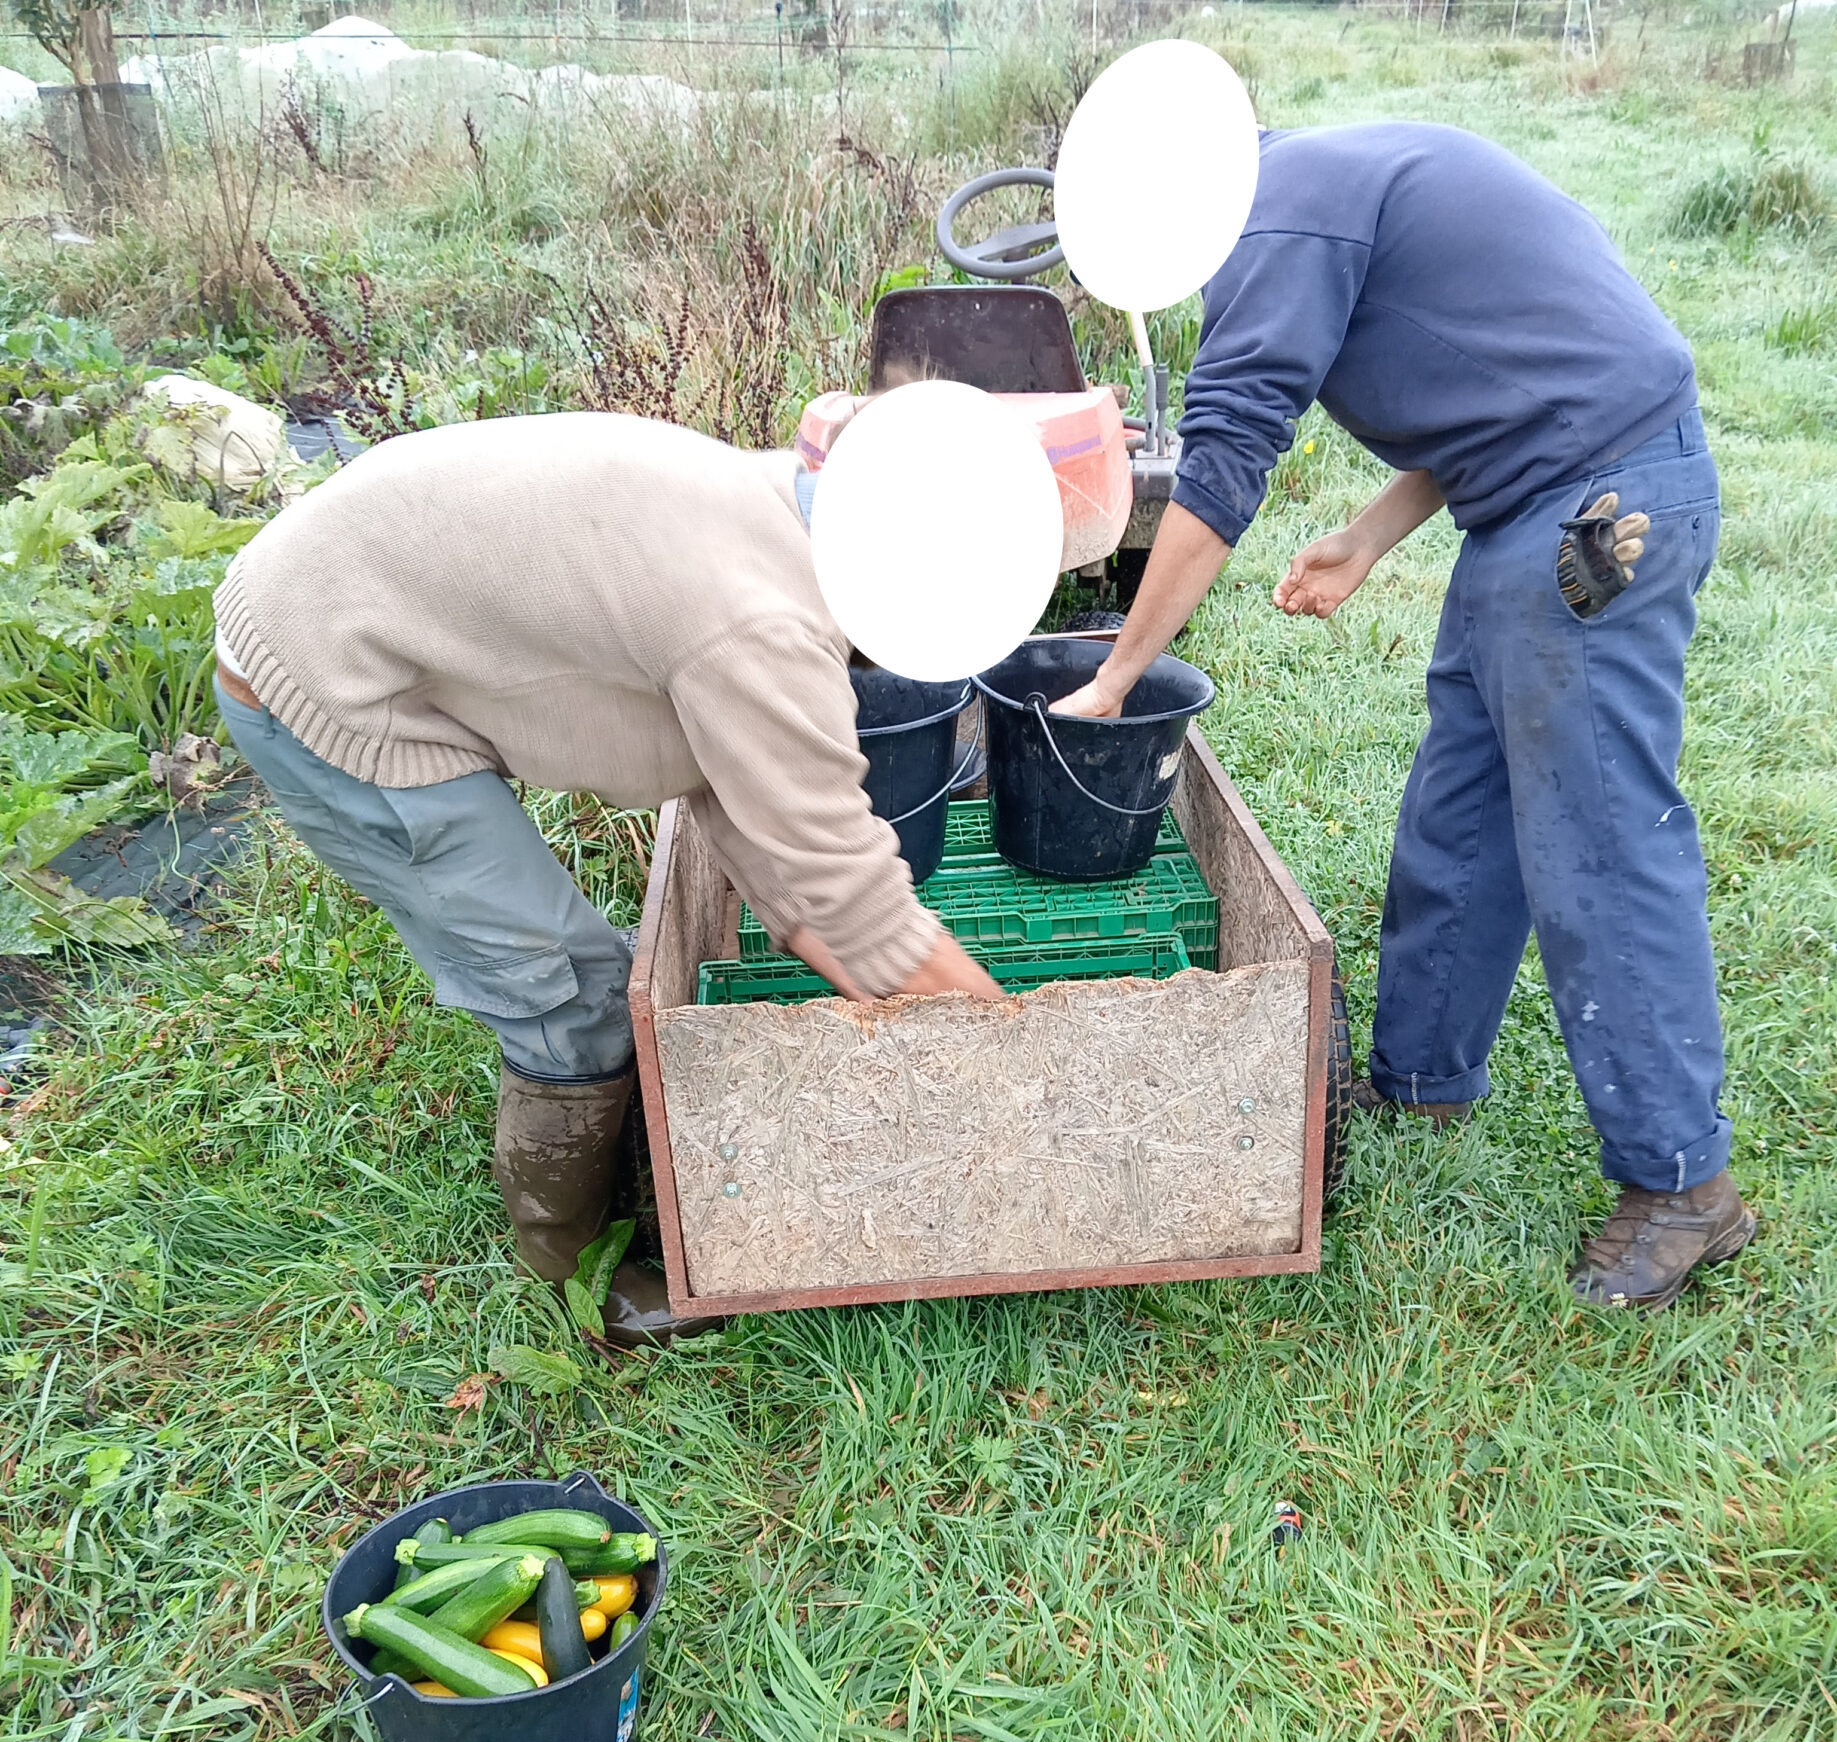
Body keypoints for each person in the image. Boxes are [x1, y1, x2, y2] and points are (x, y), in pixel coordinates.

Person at [1052, 121, 1754, 1311]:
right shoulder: (1314, 181)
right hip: (1531, 491)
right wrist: (1366, 538)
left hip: (1603, 501)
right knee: (1462, 812)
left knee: (1598, 842)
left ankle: (1682, 1186)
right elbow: (1499, 376)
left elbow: (1222, 462)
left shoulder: (1274, 217)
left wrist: (1115, 676)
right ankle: (1424, 1073)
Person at [212, 411, 999, 1345]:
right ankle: (576, 1276)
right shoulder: (759, 627)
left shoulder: (785, 515)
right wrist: (1009, 1061)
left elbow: (770, 836)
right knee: (565, 992)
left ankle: (613, 1150)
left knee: (590, 980)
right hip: (328, 677)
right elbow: (859, 902)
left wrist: (894, 1010)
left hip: (351, 588)